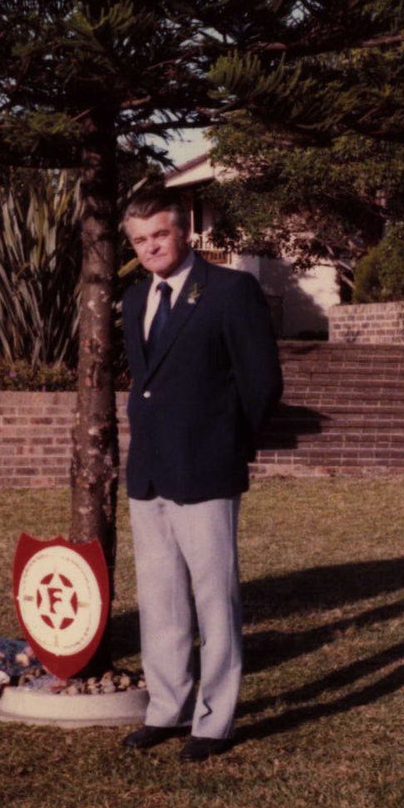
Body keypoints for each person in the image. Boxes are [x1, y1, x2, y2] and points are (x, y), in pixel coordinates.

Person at [120, 186, 283, 761]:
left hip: (207, 470)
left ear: (183, 230)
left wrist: (227, 446)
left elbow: (262, 385)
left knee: (215, 602)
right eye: (139, 240)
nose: (150, 248)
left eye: (158, 235)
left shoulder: (229, 291)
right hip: (148, 474)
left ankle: (214, 722)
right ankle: (167, 708)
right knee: (161, 599)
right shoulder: (135, 299)